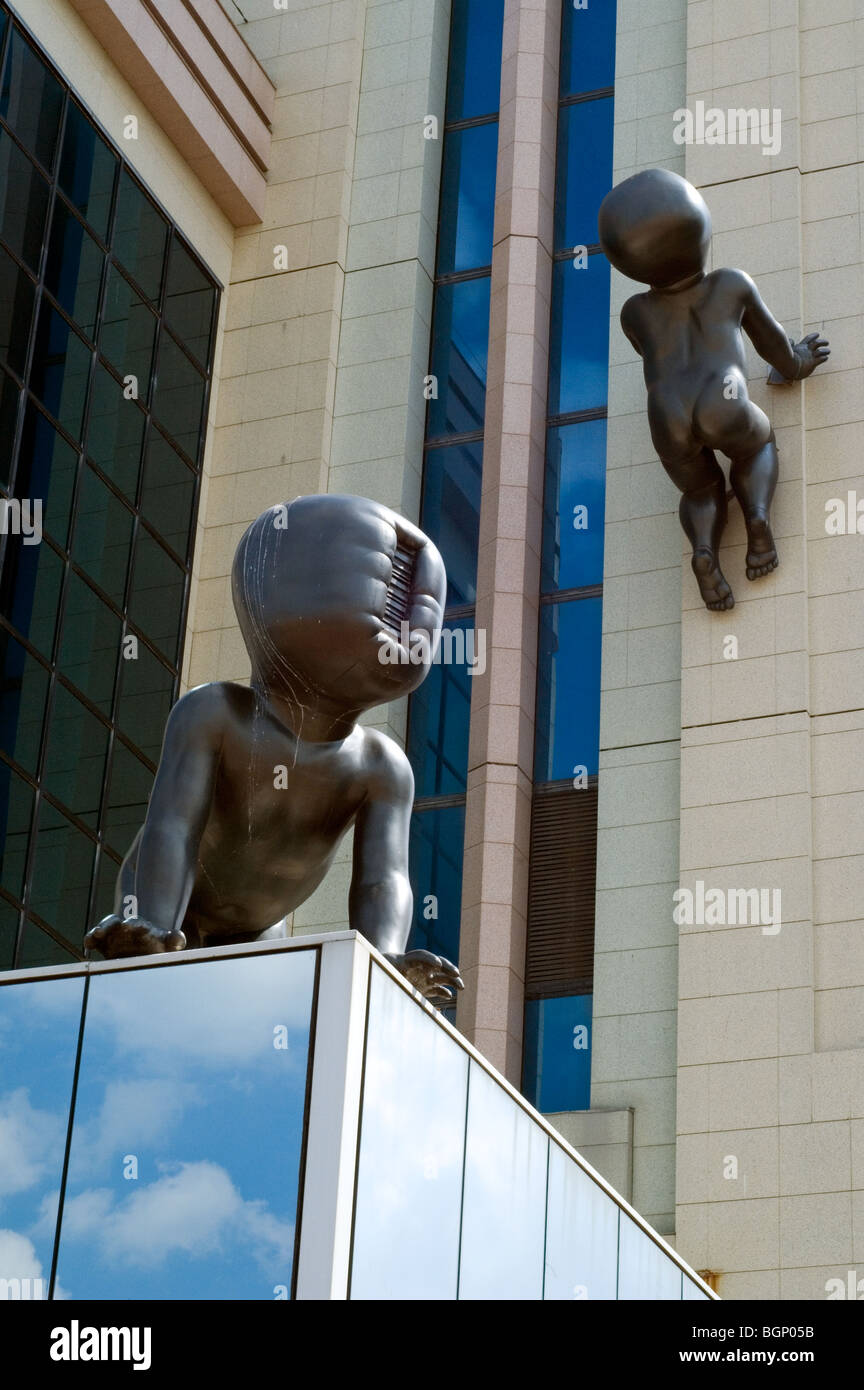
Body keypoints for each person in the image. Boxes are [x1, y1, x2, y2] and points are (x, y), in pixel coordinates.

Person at [84, 494, 463, 1005]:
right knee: (160, 1001)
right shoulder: (217, 713)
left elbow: (384, 879)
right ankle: (149, 945)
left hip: (263, 928)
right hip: (171, 907)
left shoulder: (381, 765)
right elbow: (173, 828)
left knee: (242, 1025)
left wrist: (385, 964)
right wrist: (154, 924)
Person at [598, 168, 829, 610]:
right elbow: (774, 347)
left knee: (700, 489)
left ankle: (704, 549)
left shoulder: (635, 314)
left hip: (666, 414)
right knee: (756, 445)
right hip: (723, 398)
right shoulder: (731, 284)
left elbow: (649, 353)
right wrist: (797, 364)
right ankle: (757, 516)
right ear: (700, 230)